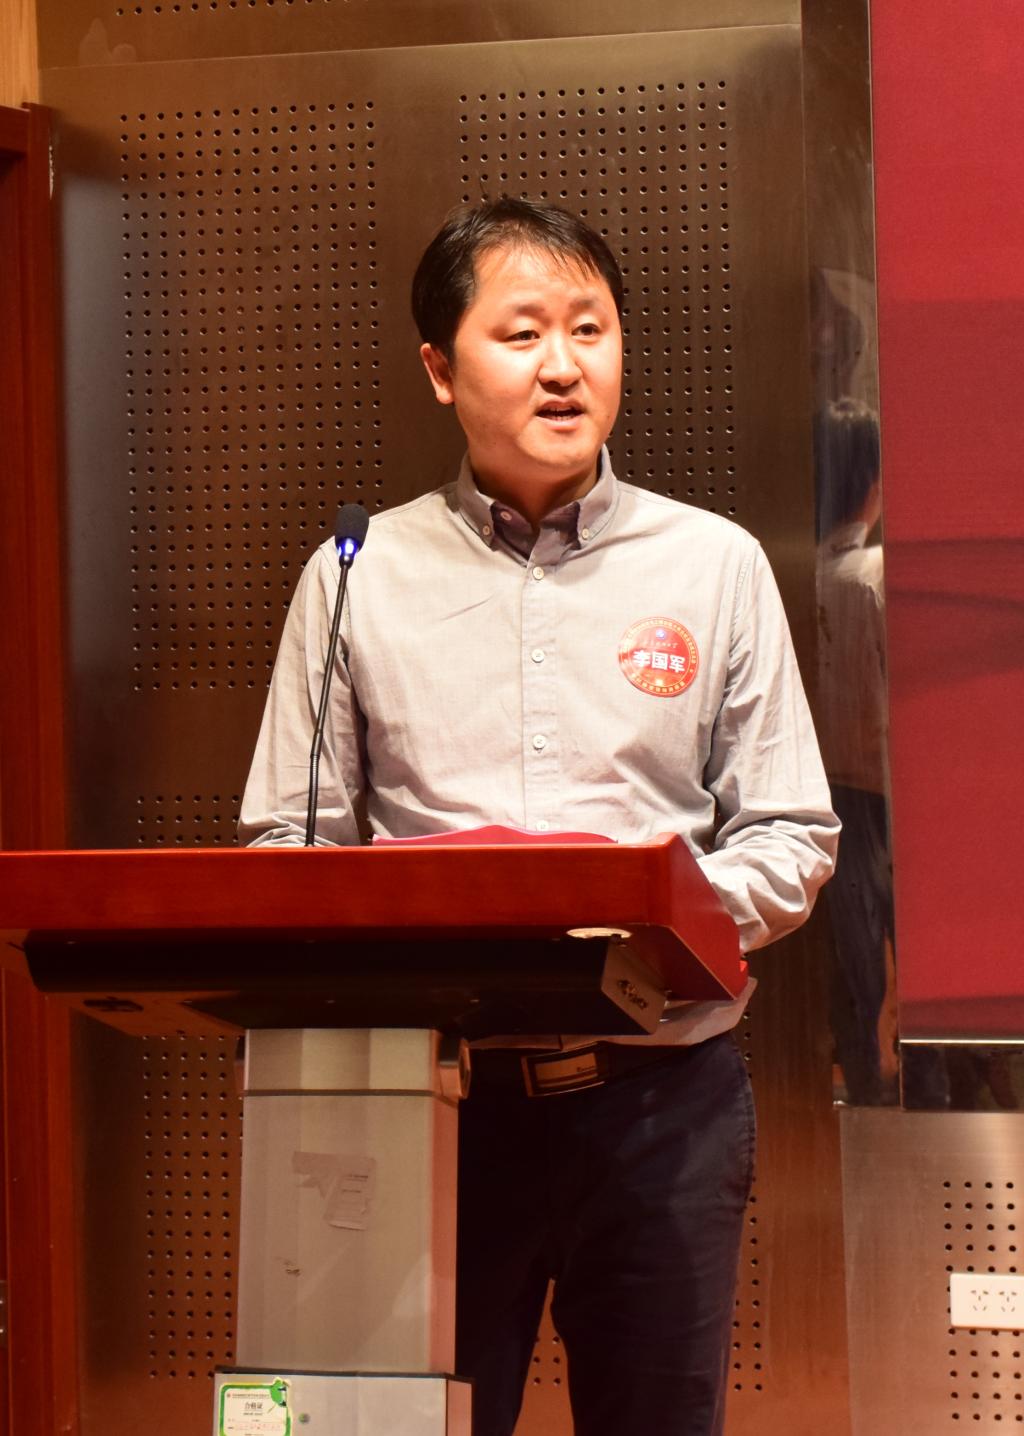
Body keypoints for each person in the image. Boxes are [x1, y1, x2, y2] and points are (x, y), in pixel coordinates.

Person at [240, 197, 839, 1436]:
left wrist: (647, 919)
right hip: (429, 1107)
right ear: (439, 367)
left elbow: (791, 832)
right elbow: (283, 847)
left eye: (590, 328)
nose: (563, 365)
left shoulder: (714, 562)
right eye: (521, 333)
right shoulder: (355, 574)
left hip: (663, 1102)